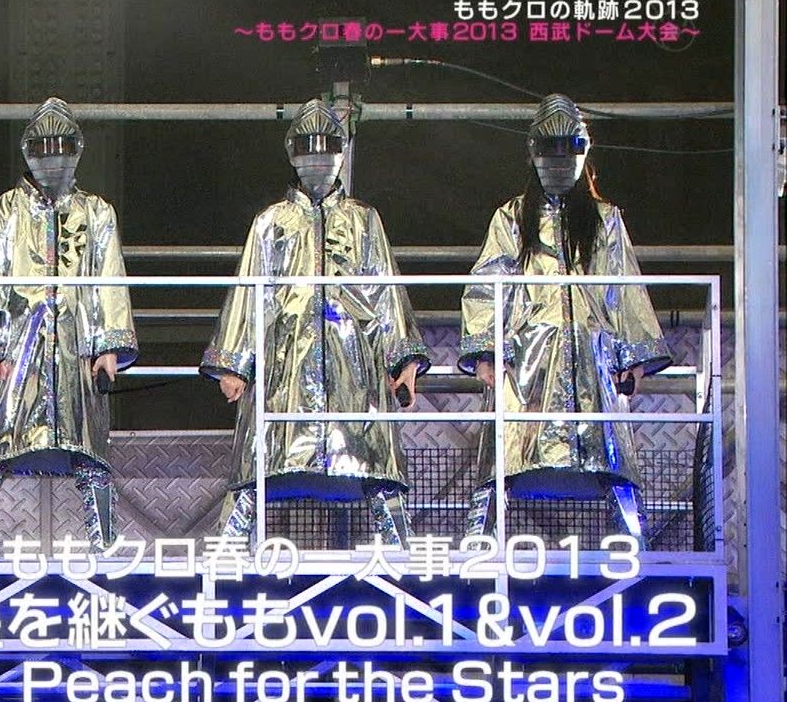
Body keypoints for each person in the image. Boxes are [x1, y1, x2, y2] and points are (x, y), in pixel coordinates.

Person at [202, 99, 429, 547]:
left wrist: (403, 359)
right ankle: (222, 560)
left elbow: (385, 290)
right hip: (285, 366)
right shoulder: (270, 223)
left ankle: (404, 559)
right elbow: (249, 292)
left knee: (374, 467)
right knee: (259, 466)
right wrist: (233, 363)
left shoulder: (364, 220)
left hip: (355, 367)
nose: (317, 156)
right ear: (293, 153)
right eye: (308, 146)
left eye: (326, 146)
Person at [458, 94, 671, 548]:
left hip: (594, 358)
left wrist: (633, 359)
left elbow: (624, 288)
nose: (558, 159)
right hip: (527, 362)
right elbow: (487, 285)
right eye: (549, 148)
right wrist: (485, 352)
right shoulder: (512, 218)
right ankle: (479, 542)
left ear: (582, 151)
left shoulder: (605, 220)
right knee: (505, 458)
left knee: (611, 457)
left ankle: (636, 544)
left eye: (567, 147)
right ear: (533, 152)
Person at [0, 97, 137, 556]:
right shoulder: (5, 211)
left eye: (61, 146)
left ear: (77, 151)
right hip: (15, 351)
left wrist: (109, 344)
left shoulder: (97, 212)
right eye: (43, 147)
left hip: (77, 350)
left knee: (91, 455)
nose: (52, 156)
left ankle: (104, 548)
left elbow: (108, 278)